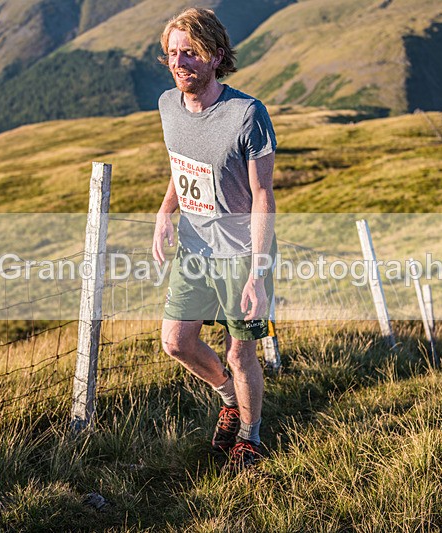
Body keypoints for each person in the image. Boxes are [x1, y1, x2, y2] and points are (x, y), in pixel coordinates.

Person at [152, 7, 276, 473]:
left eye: (190, 53)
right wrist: (167, 210)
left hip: (242, 253)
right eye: (172, 53)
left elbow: (263, 196)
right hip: (194, 249)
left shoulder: (247, 114)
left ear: (216, 55)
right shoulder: (168, 105)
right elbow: (179, 162)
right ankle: (229, 399)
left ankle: (250, 436)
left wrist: (258, 276)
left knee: (241, 352)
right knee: (177, 341)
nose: (180, 62)